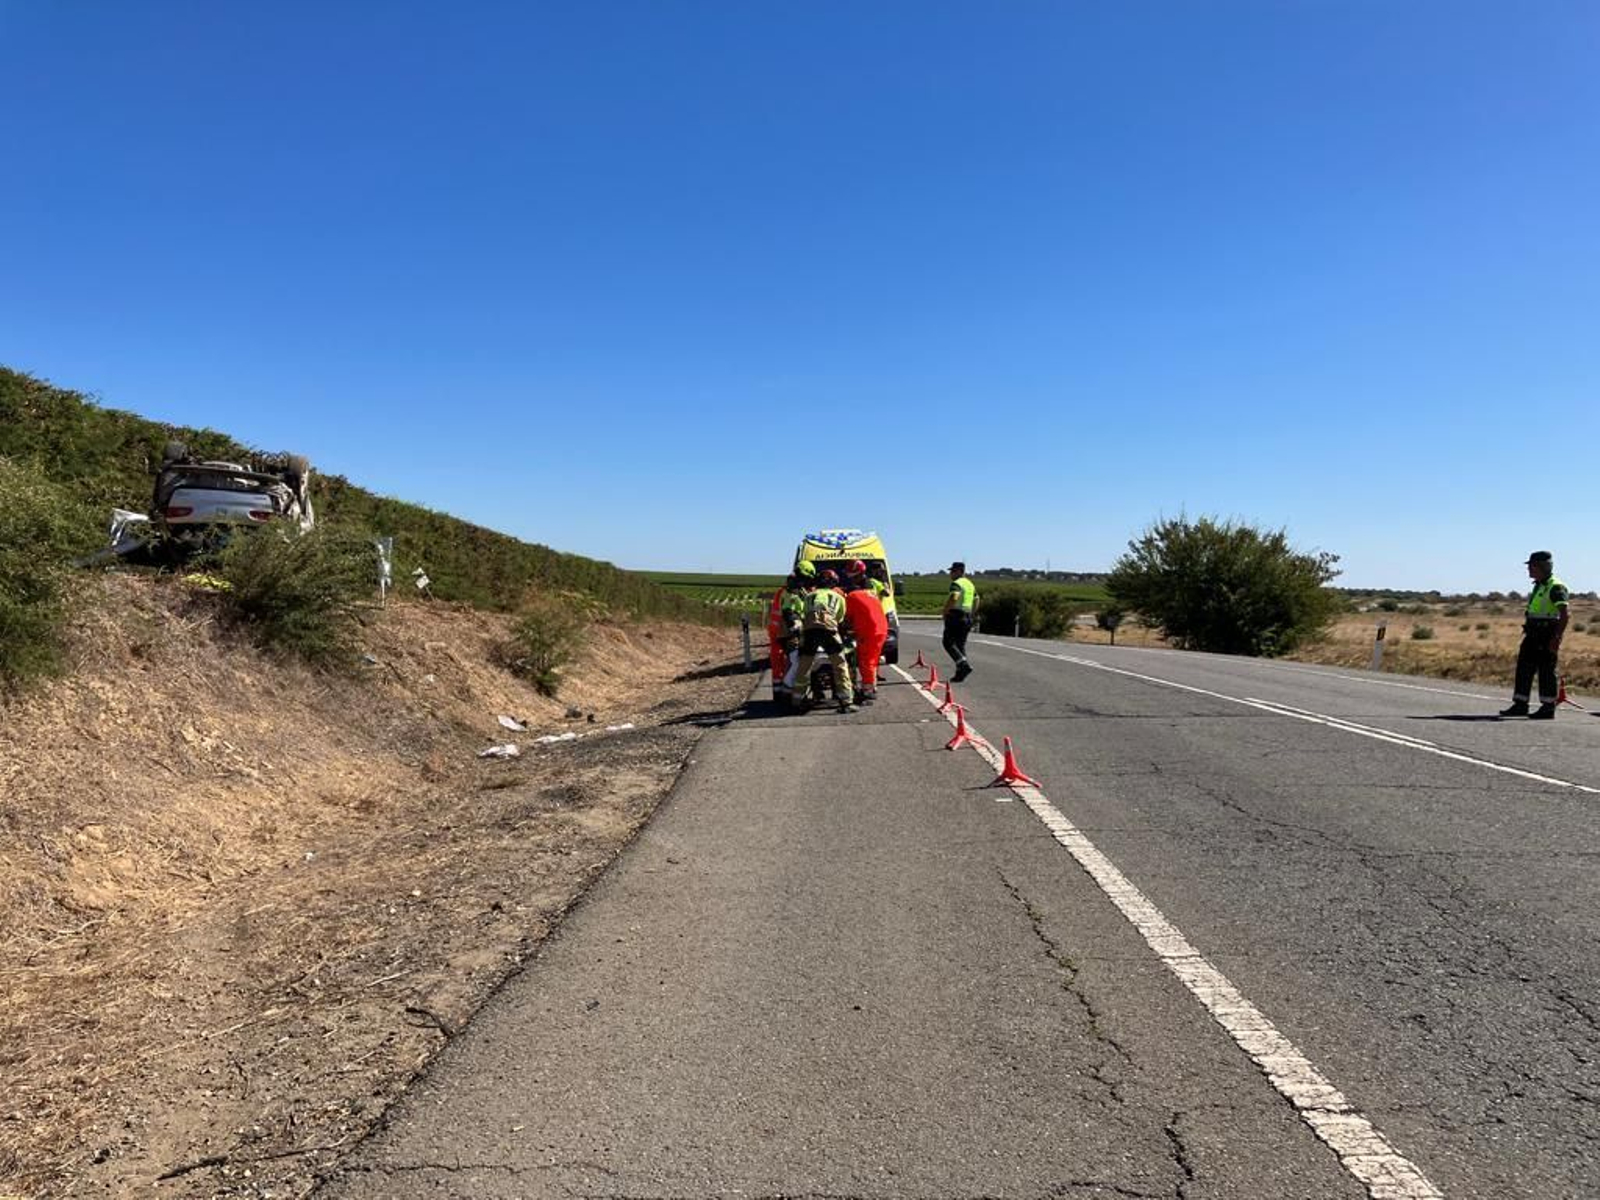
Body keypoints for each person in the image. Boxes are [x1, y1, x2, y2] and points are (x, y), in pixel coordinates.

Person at [1499, 550, 1570, 720]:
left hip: (1547, 633)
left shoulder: (1556, 586)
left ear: (1544, 567)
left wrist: (1557, 637)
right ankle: (1520, 704)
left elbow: (1565, 614)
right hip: (1533, 633)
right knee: (1524, 667)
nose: (1529, 570)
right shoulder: (1539, 585)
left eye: (1532, 566)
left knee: (1546, 669)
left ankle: (1548, 707)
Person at [790, 569, 856, 713]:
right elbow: (839, 619)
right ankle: (846, 701)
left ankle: (797, 700)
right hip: (829, 630)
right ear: (834, 583)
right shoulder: (838, 597)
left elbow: (803, 614)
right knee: (839, 664)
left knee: (805, 665)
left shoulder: (809, 596)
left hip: (809, 632)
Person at [844, 561, 889, 703]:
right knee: (873, 660)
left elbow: (846, 617)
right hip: (881, 628)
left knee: (866, 661)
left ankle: (868, 691)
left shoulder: (851, 596)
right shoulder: (870, 592)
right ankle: (870, 687)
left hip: (869, 631)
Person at [769, 571, 809, 701]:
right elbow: (789, 612)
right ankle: (786, 690)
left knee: (780, 660)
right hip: (785, 631)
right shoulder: (790, 594)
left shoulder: (783, 591)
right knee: (793, 659)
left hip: (777, 629)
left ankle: (779, 692)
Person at [942, 560, 979, 682]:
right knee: (960, 645)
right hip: (967, 616)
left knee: (947, 642)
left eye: (952, 571)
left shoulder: (956, 583)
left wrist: (946, 610)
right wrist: (972, 614)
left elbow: (954, 596)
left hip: (955, 615)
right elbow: (977, 599)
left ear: (959, 572)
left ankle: (963, 665)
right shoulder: (970, 584)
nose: (950, 574)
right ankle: (960, 673)